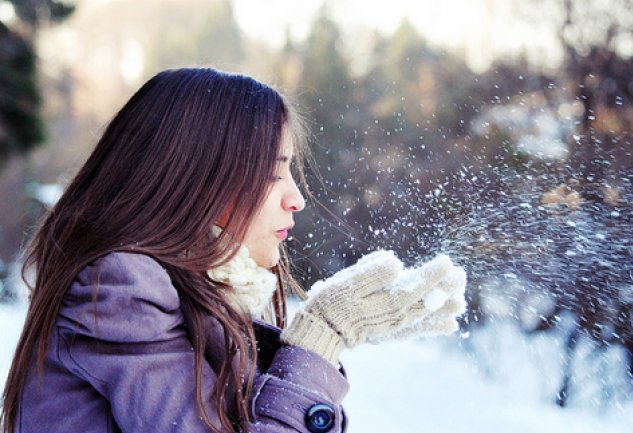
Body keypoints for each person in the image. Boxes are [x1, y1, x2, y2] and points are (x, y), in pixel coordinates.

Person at [1, 68, 467, 433]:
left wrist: (325, 339)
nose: (296, 198)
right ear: (198, 179)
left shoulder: (187, 292)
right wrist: (321, 336)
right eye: (272, 173)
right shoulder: (122, 289)